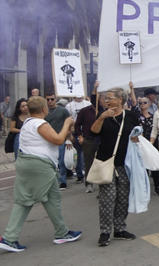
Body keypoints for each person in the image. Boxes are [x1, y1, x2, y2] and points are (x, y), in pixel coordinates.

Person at [0, 96, 81, 252]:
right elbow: (58, 140)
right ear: (44, 109)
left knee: (33, 199)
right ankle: (60, 233)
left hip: (27, 162)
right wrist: (66, 123)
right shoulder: (40, 123)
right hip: (40, 165)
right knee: (43, 199)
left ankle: (11, 237)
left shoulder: (27, 123)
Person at [90, 88, 138, 247]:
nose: (107, 101)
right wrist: (102, 117)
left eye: (110, 98)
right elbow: (94, 131)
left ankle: (119, 229)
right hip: (106, 162)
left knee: (123, 198)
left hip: (125, 163)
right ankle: (104, 232)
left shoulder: (131, 116)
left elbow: (138, 136)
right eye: (106, 98)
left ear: (120, 100)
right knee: (107, 199)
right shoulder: (102, 115)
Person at [44, 94, 71, 189]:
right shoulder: (44, 111)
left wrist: (68, 137)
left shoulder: (63, 110)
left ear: (55, 100)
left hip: (61, 139)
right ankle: (52, 181)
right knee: (49, 161)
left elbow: (70, 123)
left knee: (61, 161)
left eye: (52, 99)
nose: (50, 101)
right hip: (47, 140)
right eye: (48, 99)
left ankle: (62, 181)